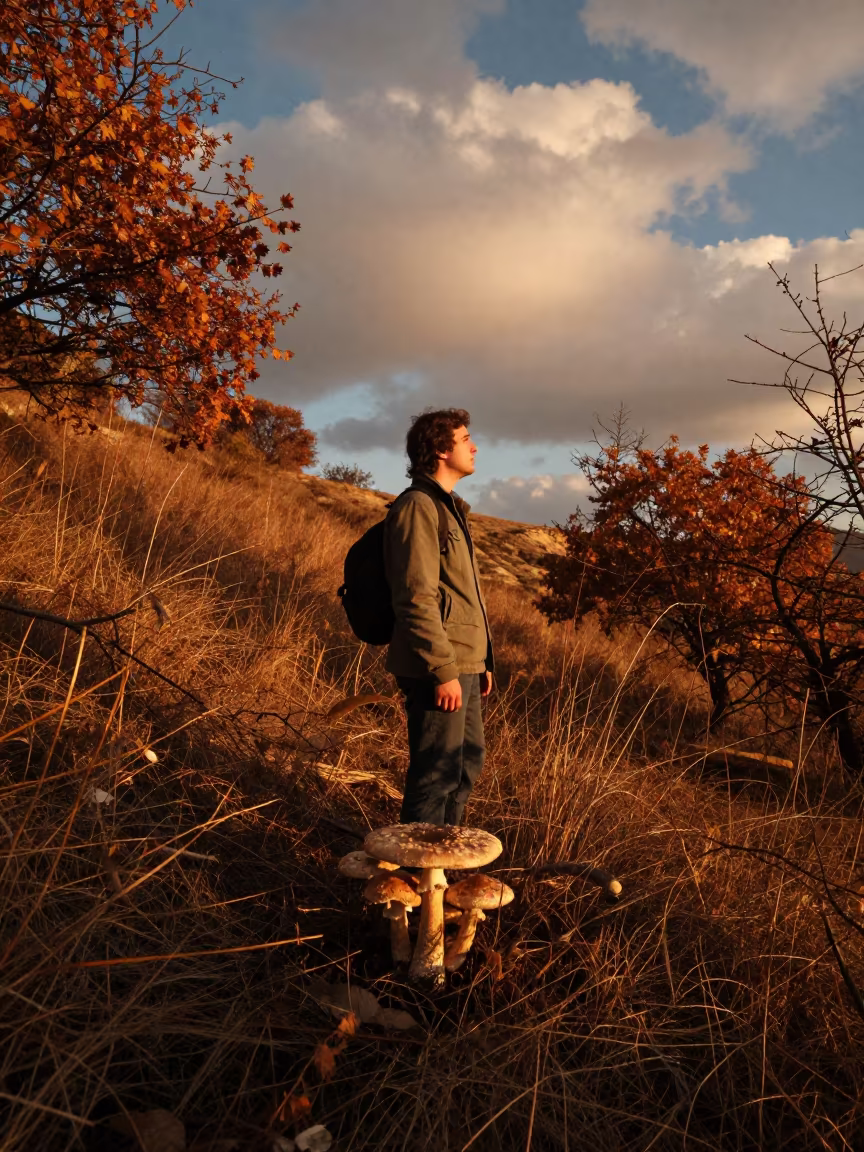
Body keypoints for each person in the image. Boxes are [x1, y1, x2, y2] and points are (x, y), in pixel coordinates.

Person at [383, 408, 494, 826]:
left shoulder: (451, 510)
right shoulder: (418, 507)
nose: (474, 446)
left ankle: (442, 875)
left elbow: (461, 597)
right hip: (437, 666)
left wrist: (481, 661)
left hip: (462, 661)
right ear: (441, 450)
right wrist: (444, 669)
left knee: (465, 768)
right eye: (466, 439)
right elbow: (415, 597)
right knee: (436, 775)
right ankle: (417, 876)